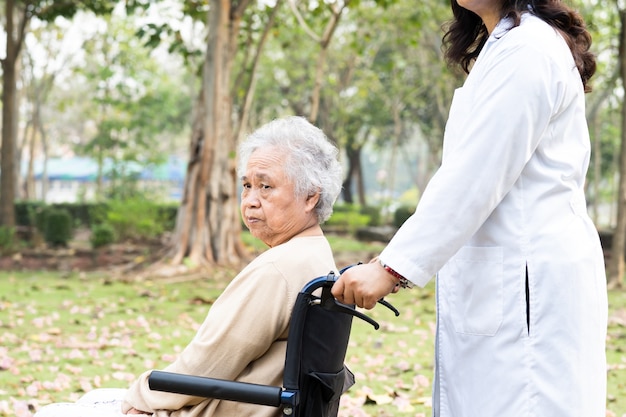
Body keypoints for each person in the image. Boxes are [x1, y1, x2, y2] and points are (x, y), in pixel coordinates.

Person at [332, 1, 608, 416]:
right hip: (512, 278)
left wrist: (390, 268)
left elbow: (474, 176)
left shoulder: (529, 50)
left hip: (530, 282)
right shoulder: (507, 45)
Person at [34, 115, 344, 417]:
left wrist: (142, 394)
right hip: (261, 404)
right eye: (247, 185)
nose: (250, 199)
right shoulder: (317, 255)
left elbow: (205, 367)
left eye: (266, 187)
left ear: (310, 198)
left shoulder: (279, 268)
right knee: (96, 397)